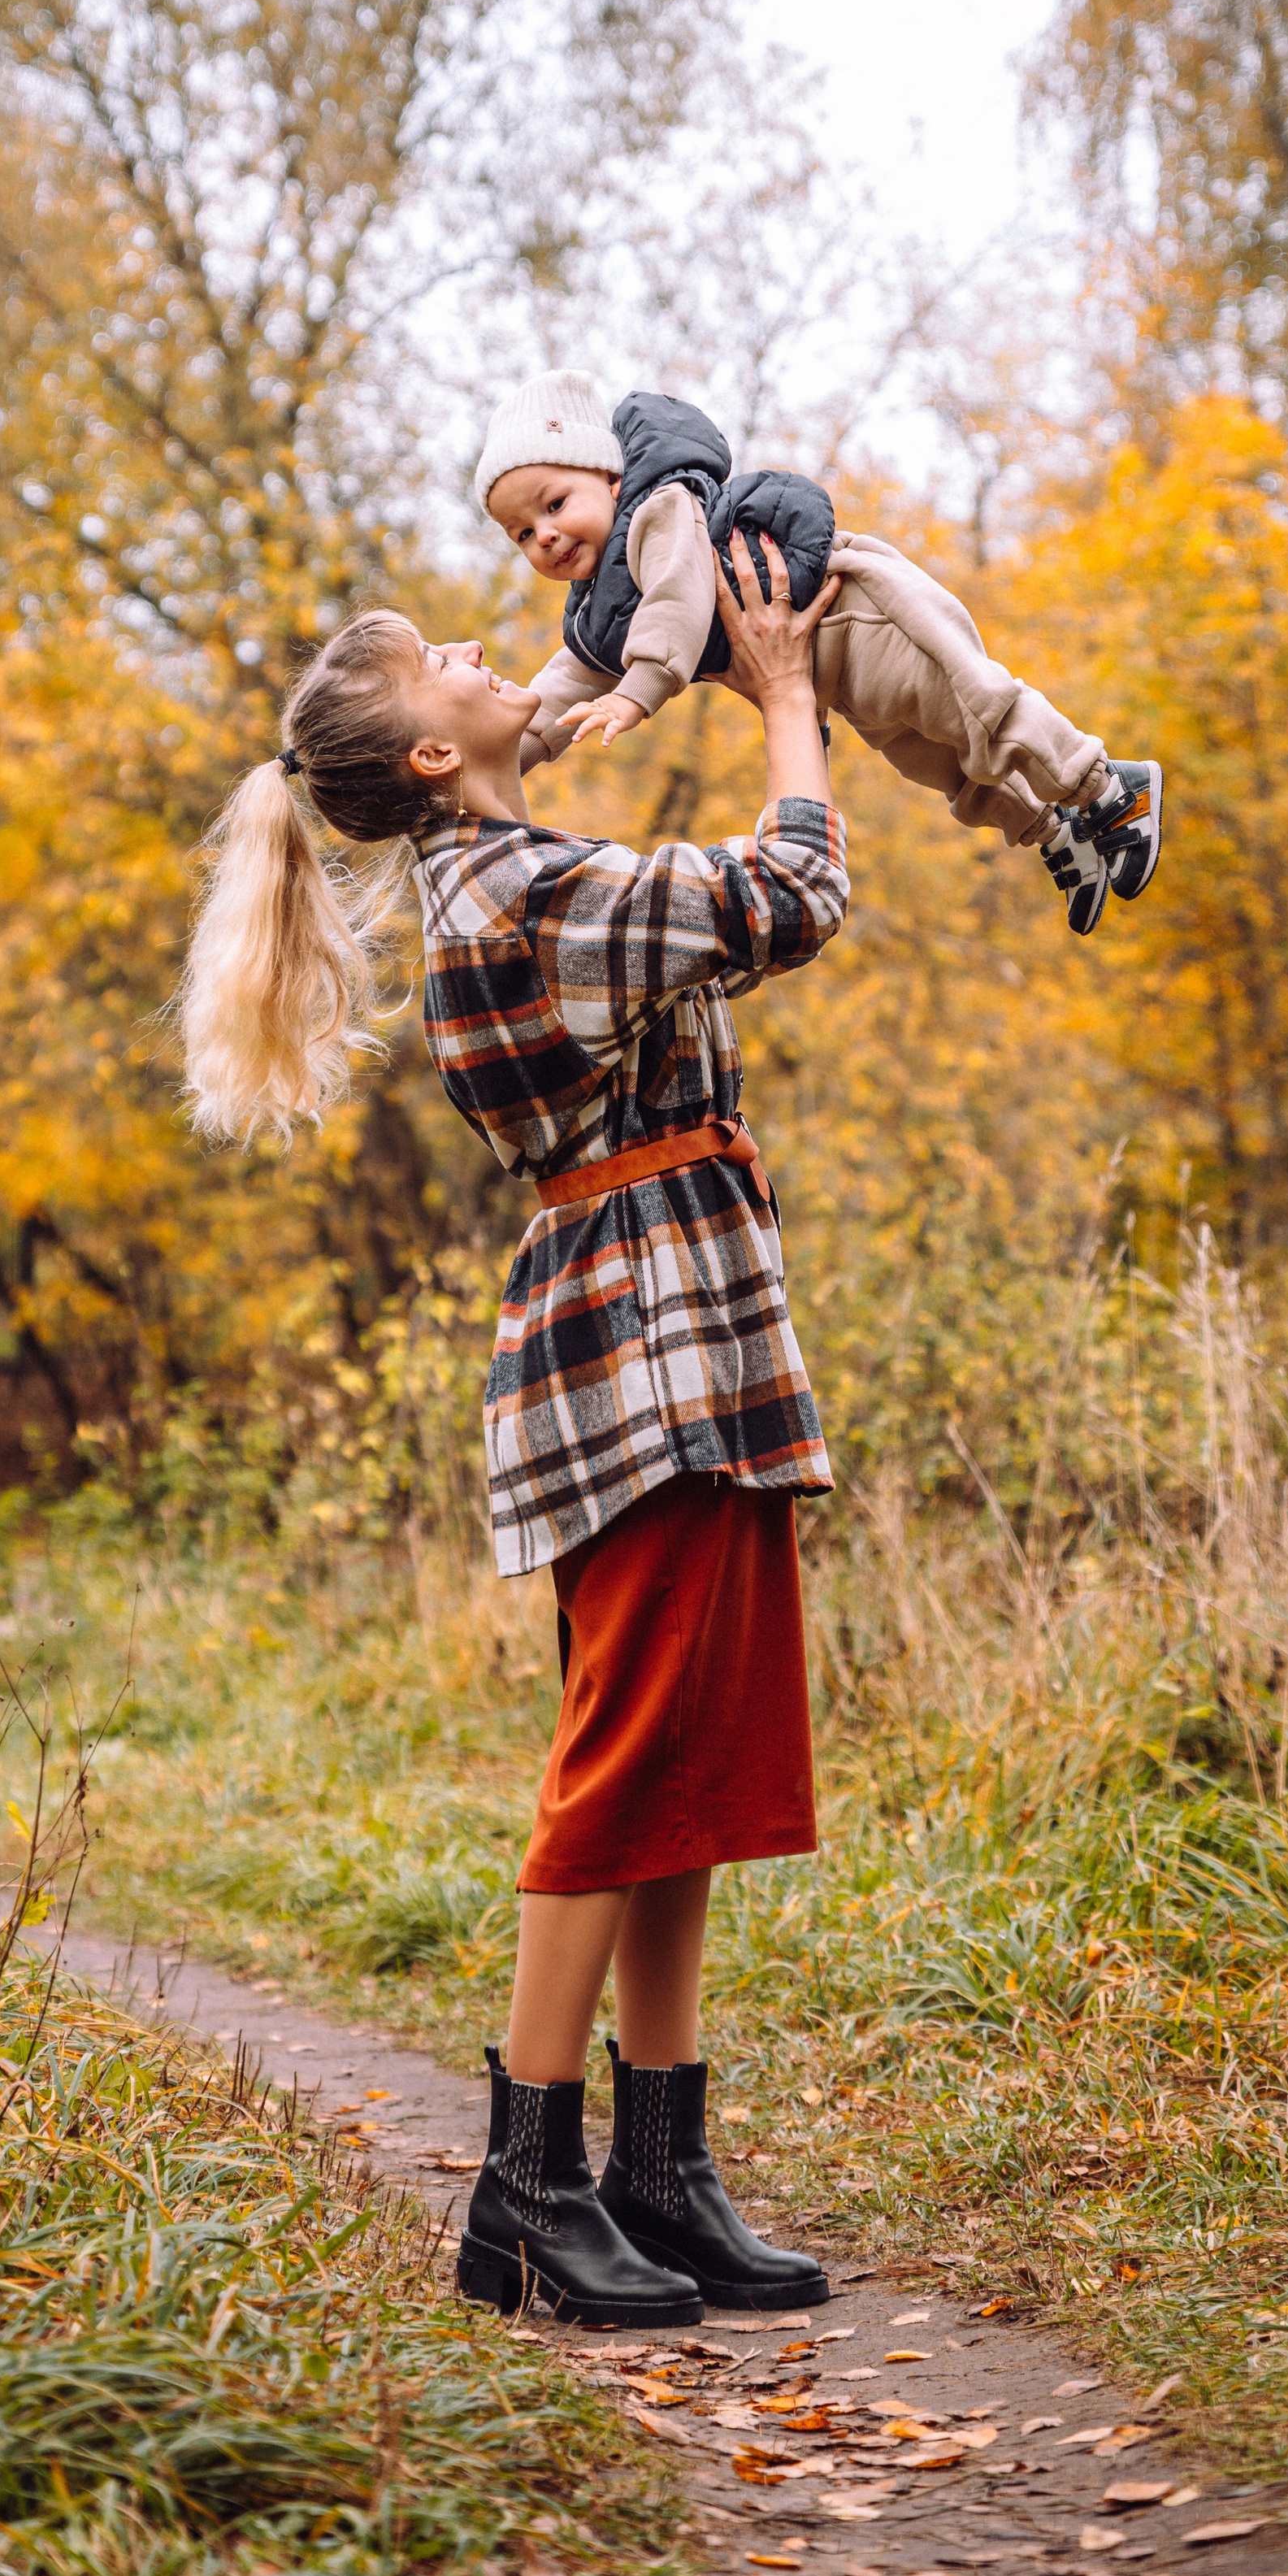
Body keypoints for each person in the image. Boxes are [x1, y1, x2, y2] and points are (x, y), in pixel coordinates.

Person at [179, 532, 851, 2328]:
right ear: (421, 759)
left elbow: (555, 712)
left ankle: (657, 2167)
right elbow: (792, 892)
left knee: (687, 1762)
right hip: (639, 1347)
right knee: (627, 1754)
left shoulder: (509, 863)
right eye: (439, 659)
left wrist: (616, 664)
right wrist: (785, 697)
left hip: (675, 1324)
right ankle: (525, 2186)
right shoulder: (516, 895)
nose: (481, 647)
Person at [475, 368, 1164, 936]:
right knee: (940, 763)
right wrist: (503, 751)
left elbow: (680, 601)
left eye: (556, 503)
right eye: (521, 533)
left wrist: (637, 692)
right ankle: (1054, 833)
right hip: (827, 672)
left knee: (976, 711)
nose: (545, 536)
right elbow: (563, 685)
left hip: (856, 613)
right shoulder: (600, 607)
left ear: (610, 480)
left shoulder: (660, 509)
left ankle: (1107, 786)